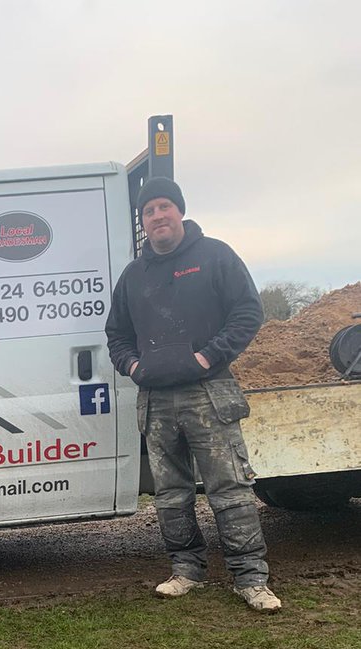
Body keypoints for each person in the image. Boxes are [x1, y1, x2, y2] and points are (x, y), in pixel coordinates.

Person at [105, 178, 281, 613]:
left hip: (209, 392)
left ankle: (251, 578)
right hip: (156, 400)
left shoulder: (215, 256)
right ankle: (187, 571)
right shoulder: (133, 275)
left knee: (231, 489)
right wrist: (133, 367)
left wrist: (207, 358)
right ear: (143, 222)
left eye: (165, 206)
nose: (158, 216)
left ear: (179, 211)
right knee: (170, 494)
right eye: (149, 211)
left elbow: (247, 313)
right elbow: (116, 335)